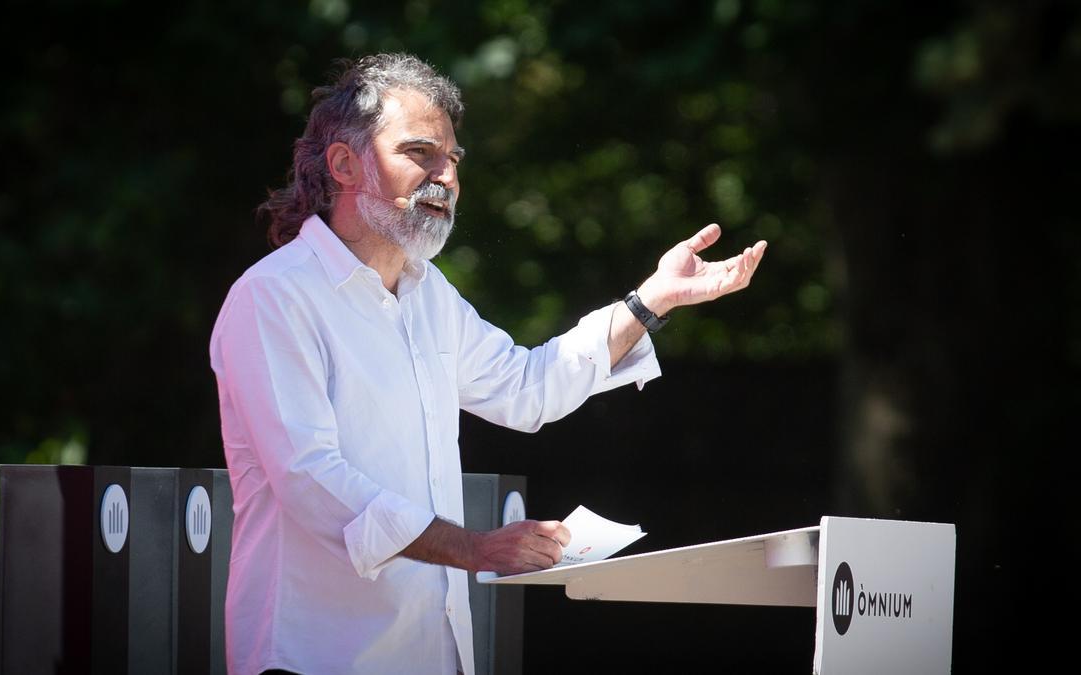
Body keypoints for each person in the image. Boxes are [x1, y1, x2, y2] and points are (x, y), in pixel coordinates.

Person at [209, 53, 767, 675]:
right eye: (421, 153)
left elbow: (526, 390)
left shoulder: (429, 292)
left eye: (453, 160)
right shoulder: (274, 297)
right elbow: (311, 481)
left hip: (432, 654)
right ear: (344, 164)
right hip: (313, 655)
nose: (444, 176)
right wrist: (473, 548)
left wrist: (652, 300)